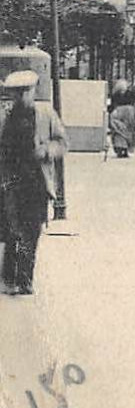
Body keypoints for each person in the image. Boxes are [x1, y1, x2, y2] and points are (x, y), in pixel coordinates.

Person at [1, 71, 66, 296]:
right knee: (12, 229)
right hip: (10, 181)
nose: (21, 97)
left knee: (32, 229)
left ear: (33, 91)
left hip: (37, 181)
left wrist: (46, 150)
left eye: (25, 92)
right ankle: (9, 275)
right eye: (16, 93)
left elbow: (62, 142)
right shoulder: (4, 116)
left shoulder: (45, 113)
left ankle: (25, 278)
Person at [106, 80, 135, 158]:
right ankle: (126, 150)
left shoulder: (115, 95)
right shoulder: (130, 94)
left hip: (118, 113)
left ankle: (120, 150)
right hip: (129, 114)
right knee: (128, 132)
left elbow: (112, 106)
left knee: (118, 132)